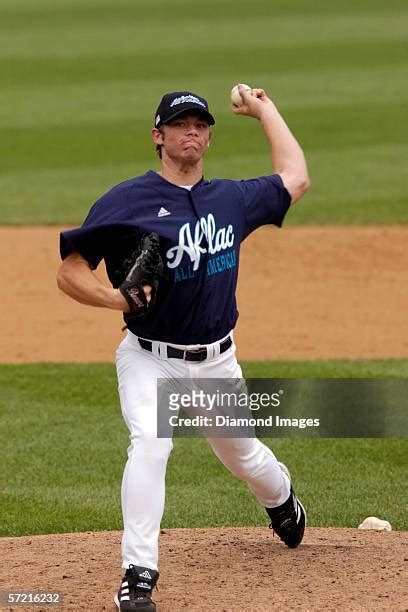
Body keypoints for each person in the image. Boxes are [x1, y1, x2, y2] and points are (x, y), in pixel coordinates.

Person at [57, 86, 310, 612]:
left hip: (217, 361)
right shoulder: (127, 200)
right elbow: (69, 271)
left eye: (199, 123)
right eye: (179, 124)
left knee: (243, 457)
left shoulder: (230, 199)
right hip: (149, 357)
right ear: (159, 136)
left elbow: (295, 178)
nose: (190, 131)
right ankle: (138, 574)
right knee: (150, 445)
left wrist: (265, 110)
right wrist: (114, 298)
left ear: (209, 135)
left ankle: (281, 500)